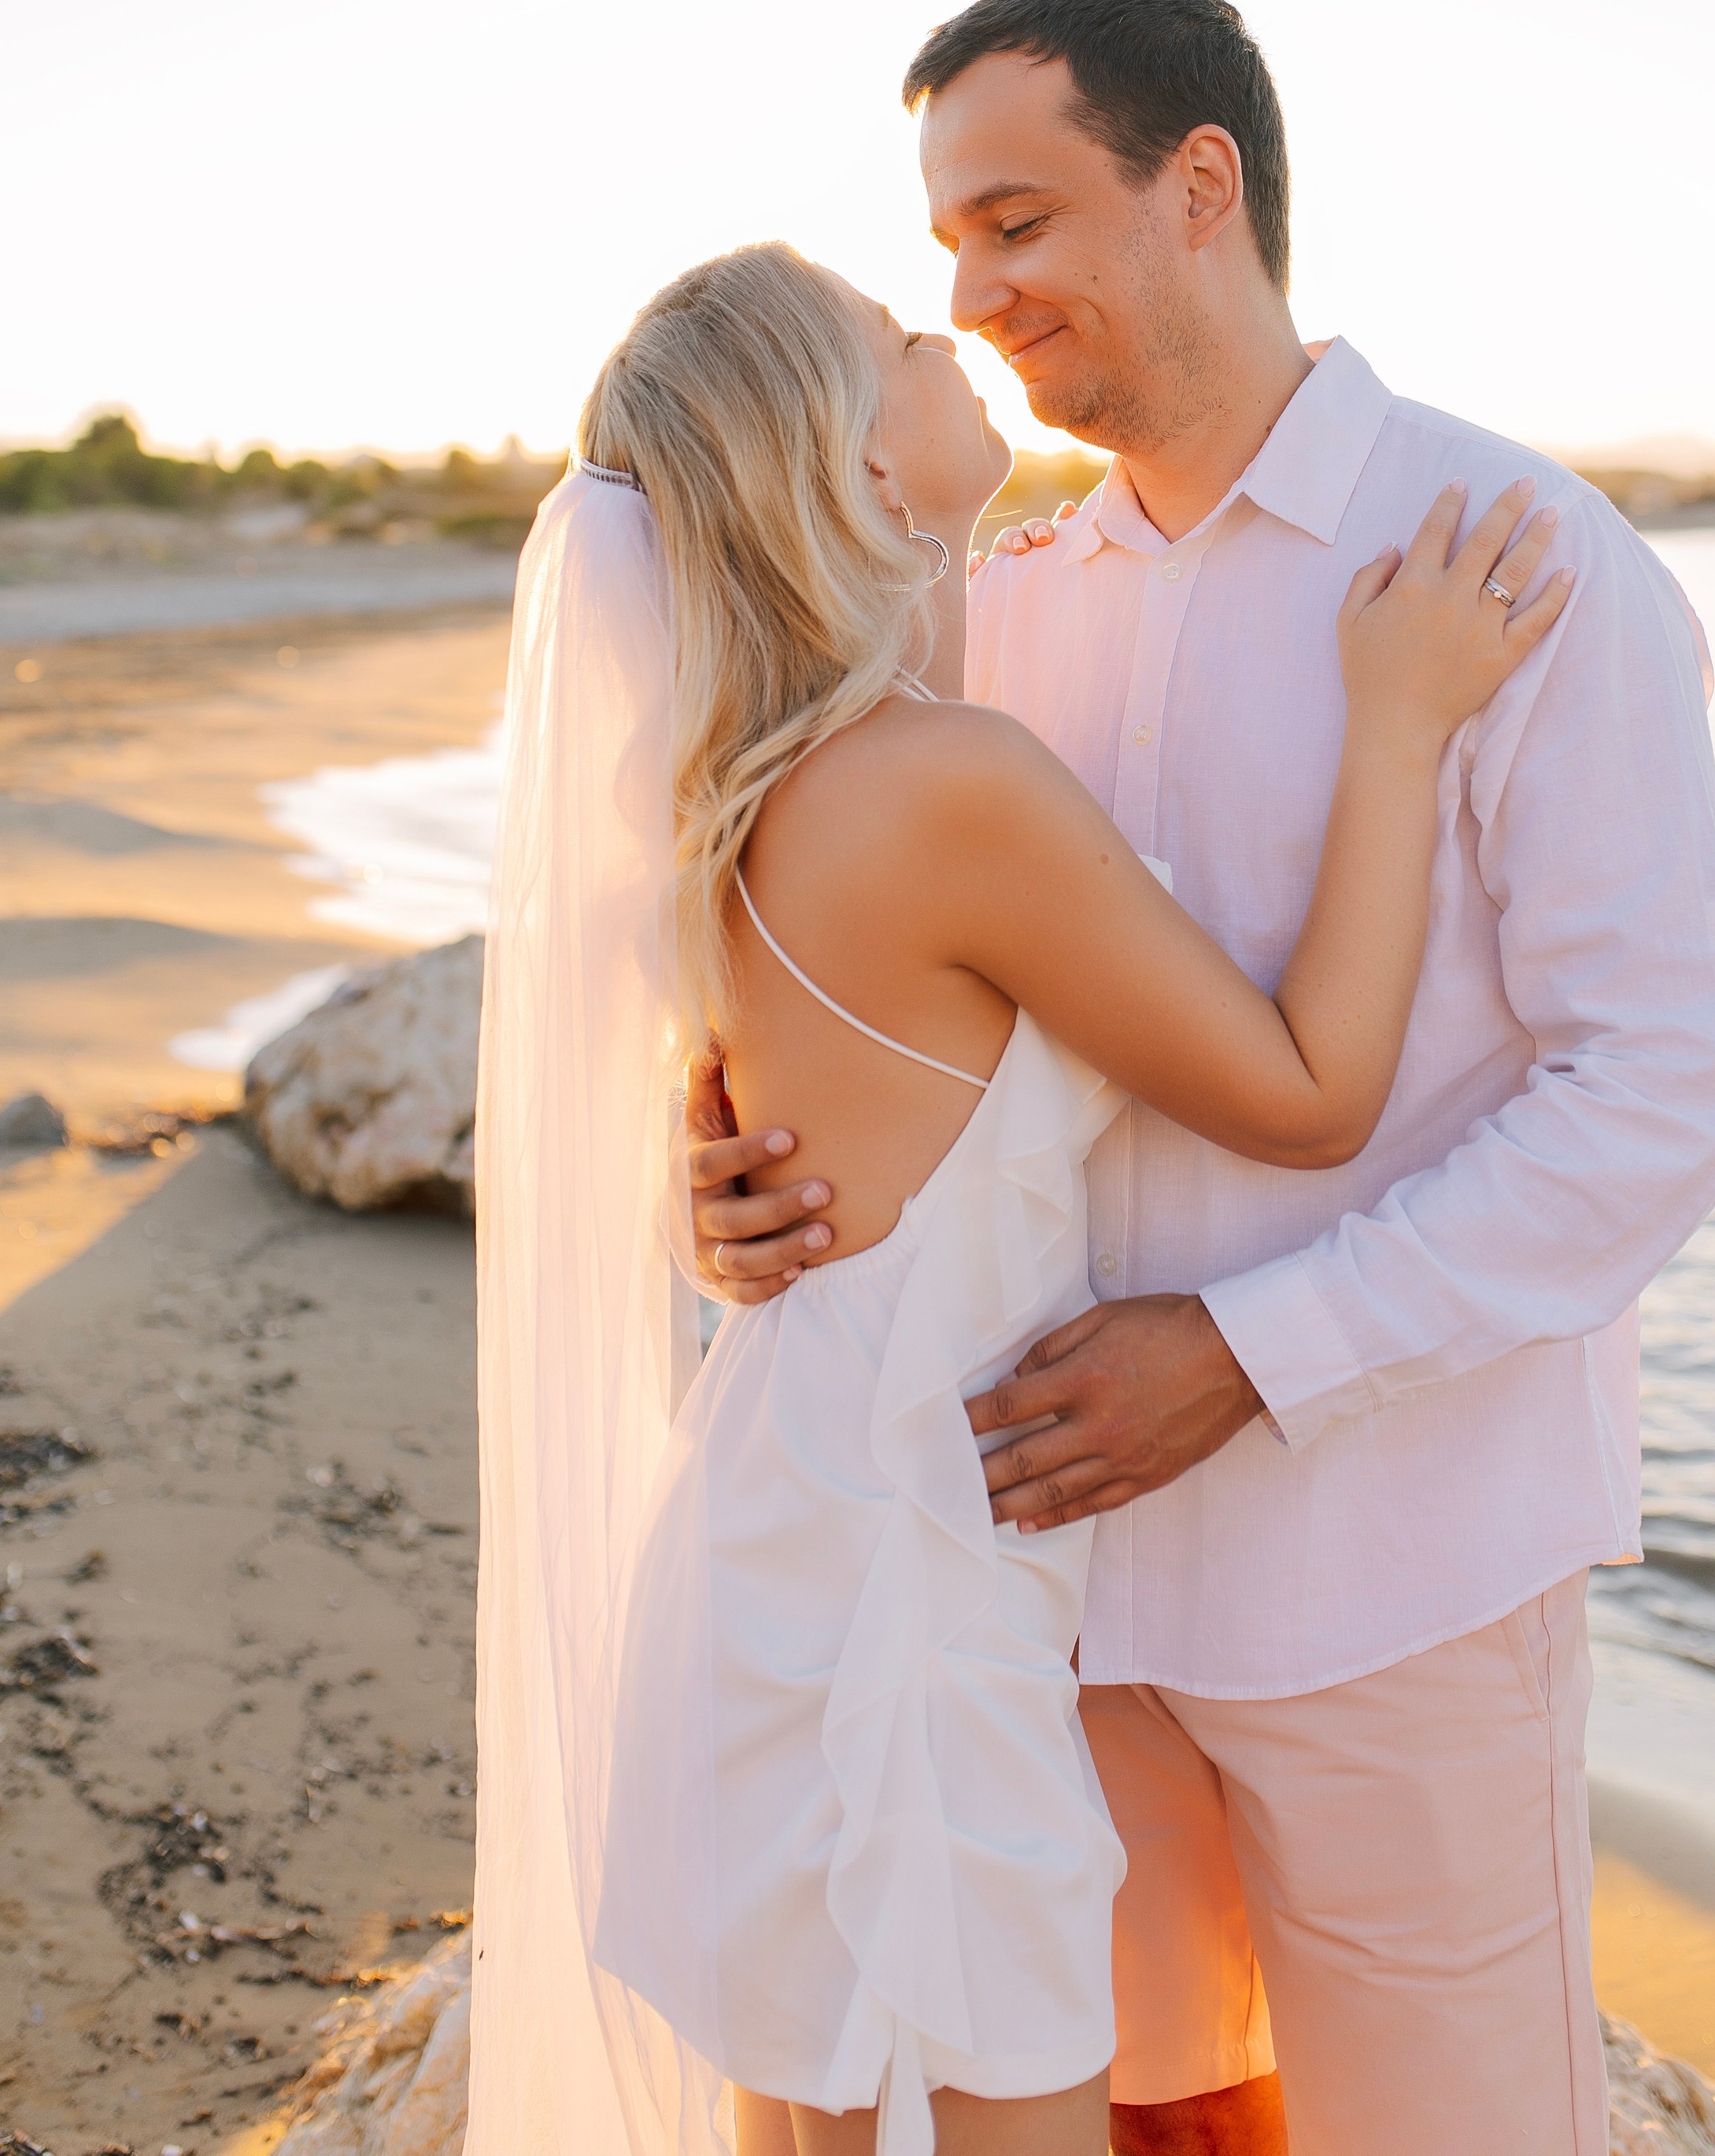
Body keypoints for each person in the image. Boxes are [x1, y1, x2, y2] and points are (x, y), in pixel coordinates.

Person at [691, 0, 1715, 2156]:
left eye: (1016, 223)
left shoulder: (1513, 561)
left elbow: (1664, 1091)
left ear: (1199, 188)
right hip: (1050, 1583)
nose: (977, 295)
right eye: (947, 253)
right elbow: (916, 1019)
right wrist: (728, 1176)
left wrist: (1255, 1353)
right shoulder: (999, 600)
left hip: (1401, 1570)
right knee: (1164, 2132)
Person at [470, 237, 1565, 2156]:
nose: (951, 323)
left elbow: (807, 1131)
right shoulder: (943, 785)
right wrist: (1398, 721)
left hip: (789, 1541)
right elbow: (1308, 1096)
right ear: (861, 466)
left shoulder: (735, 791)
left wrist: (697, 1193)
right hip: (903, 1592)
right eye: (897, 335)